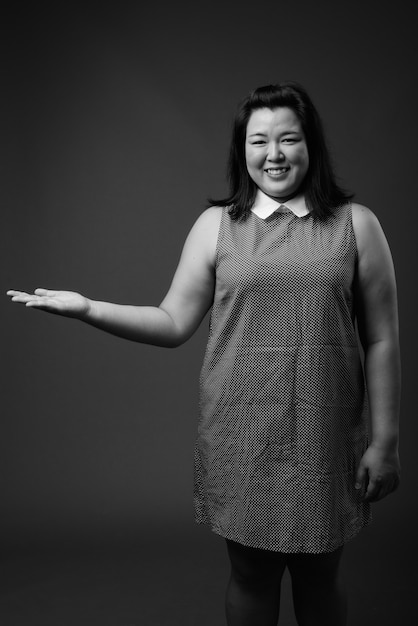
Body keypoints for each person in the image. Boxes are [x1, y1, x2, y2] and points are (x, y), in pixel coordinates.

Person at [7, 81, 401, 626]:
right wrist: (87, 308)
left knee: (320, 575)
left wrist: (385, 441)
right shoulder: (217, 227)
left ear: (311, 146)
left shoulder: (357, 225)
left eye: (289, 139)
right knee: (251, 576)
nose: (275, 155)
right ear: (242, 150)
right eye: (260, 141)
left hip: (325, 436)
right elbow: (171, 323)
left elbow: (382, 338)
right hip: (240, 434)